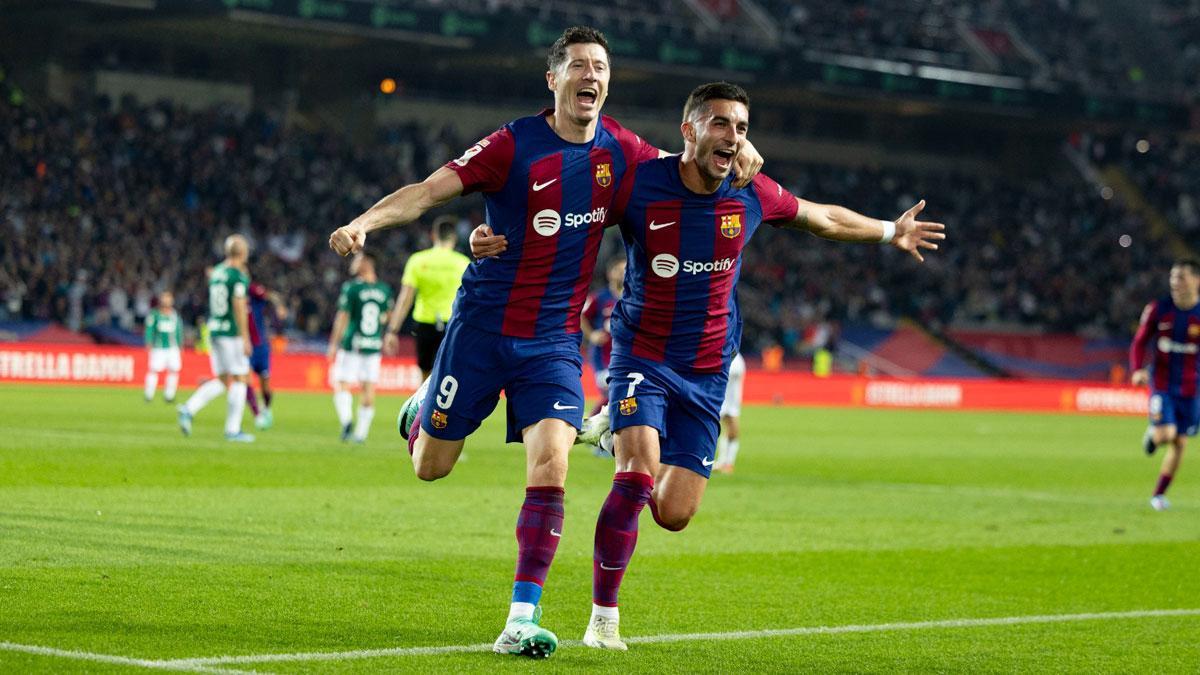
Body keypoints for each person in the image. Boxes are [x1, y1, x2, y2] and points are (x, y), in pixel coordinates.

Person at [328, 26, 763, 660]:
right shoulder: (512, 145)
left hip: (555, 339)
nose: (593, 76)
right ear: (553, 78)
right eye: (580, 65)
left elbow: (693, 159)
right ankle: (424, 410)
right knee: (431, 466)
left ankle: (520, 619)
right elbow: (427, 192)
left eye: (602, 67)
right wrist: (364, 222)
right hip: (482, 328)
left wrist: (747, 151)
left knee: (553, 462)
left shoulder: (624, 149)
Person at [573, 82, 943, 650]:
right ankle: (603, 618)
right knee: (636, 475)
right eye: (720, 123)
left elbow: (823, 217)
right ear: (689, 129)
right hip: (642, 353)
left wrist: (892, 230)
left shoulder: (751, 192)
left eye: (742, 128)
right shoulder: (641, 181)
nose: (733, 136)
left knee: (673, 513)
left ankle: (611, 432)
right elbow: (577, 202)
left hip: (707, 371)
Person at [1129, 259, 1200, 511]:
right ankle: (1153, 434)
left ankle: (1158, 495)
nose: (1174, 282)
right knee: (1166, 435)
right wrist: (1137, 369)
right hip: (1162, 384)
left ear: (1196, 280)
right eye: (1172, 277)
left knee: (1180, 443)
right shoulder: (1158, 309)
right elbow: (1139, 342)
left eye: (1181, 277)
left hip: (1192, 389)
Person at [177, 235, 256, 442]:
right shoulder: (238, 276)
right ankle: (233, 430)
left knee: (222, 380)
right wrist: (245, 337)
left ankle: (189, 408)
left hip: (214, 331)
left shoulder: (217, 272)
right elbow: (239, 306)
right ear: (242, 253)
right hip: (231, 333)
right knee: (240, 378)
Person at [384, 215, 471, 381]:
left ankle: (424, 398)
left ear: (433, 235)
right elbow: (470, 300)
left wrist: (392, 330)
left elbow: (405, 299)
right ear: (454, 238)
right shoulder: (463, 262)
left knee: (424, 375)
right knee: (448, 374)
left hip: (423, 324)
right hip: (452, 325)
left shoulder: (418, 260)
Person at [328, 254, 393, 443]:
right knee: (368, 388)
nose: (353, 263)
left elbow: (343, 317)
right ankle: (361, 434)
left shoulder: (352, 288)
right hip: (373, 345)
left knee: (341, 382)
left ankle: (347, 420)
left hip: (352, 343)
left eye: (357, 260)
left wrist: (333, 344)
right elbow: (387, 316)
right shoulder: (384, 290)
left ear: (367, 264)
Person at [580, 258, 625, 417]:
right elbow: (581, 316)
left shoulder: (633, 297)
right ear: (610, 273)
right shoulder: (600, 297)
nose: (623, 274)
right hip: (602, 355)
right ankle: (592, 420)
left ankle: (597, 423)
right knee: (611, 390)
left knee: (620, 392)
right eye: (619, 270)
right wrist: (592, 334)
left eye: (626, 270)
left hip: (625, 354)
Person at [246, 282, 286, 430]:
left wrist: (279, 306)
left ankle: (266, 409)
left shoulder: (252, 291)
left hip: (261, 347)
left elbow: (271, 295)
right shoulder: (234, 292)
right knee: (246, 381)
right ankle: (257, 416)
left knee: (266, 386)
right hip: (245, 346)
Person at [143, 291, 183, 403]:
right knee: (153, 370)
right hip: (158, 348)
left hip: (172, 348)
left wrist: (180, 344)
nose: (167, 301)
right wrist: (149, 341)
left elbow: (178, 330)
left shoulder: (174, 315)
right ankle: (149, 395)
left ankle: (169, 395)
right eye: (165, 298)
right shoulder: (154, 314)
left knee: (174, 370)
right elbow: (149, 329)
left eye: (168, 298)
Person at [712, 351, 745, 475]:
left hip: (731, 400)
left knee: (732, 429)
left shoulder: (737, 359)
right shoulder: (728, 355)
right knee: (712, 429)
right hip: (718, 398)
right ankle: (716, 461)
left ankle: (727, 462)